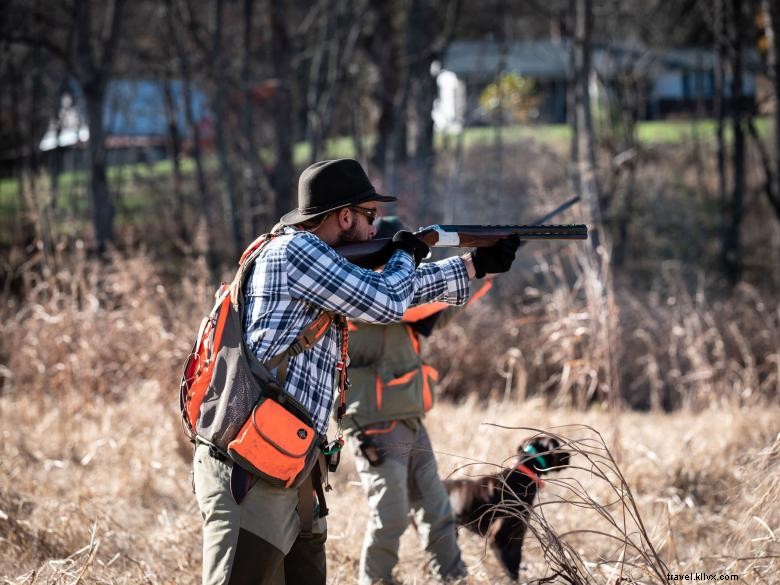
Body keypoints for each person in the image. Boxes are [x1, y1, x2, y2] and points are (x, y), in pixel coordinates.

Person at [191, 158, 520, 585]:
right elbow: (385, 301)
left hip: (289, 468)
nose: (373, 228)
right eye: (370, 216)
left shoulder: (312, 257)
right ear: (344, 216)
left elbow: (399, 291)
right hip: (252, 474)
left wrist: (473, 266)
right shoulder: (295, 251)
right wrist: (406, 251)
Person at [344, 217, 499, 585]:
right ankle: (375, 581)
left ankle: (453, 576)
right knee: (392, 515)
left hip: (411, 420)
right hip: (374, 425)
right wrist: (467, 270)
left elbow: (440, 310)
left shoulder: (402, 304)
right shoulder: (359, 299)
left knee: (437, 509)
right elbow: (413, 304)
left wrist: (485, 268)